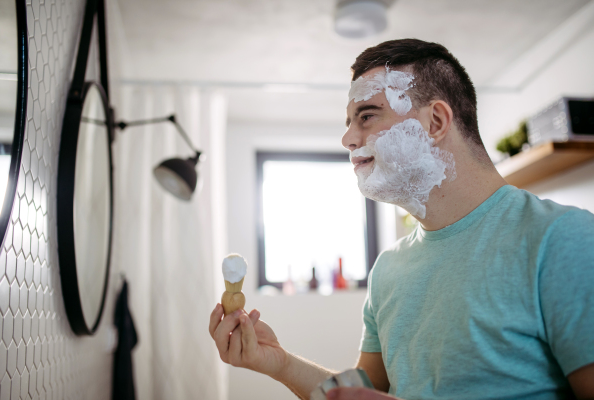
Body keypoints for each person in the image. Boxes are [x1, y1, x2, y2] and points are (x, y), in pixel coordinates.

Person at [208, 39, 594, 399]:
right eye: (348, 122)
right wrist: (277, 361)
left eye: (367, 115)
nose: (348, 139)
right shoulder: (388, 269)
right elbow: (368, 386)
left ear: (436, 122)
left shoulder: (562, 239)